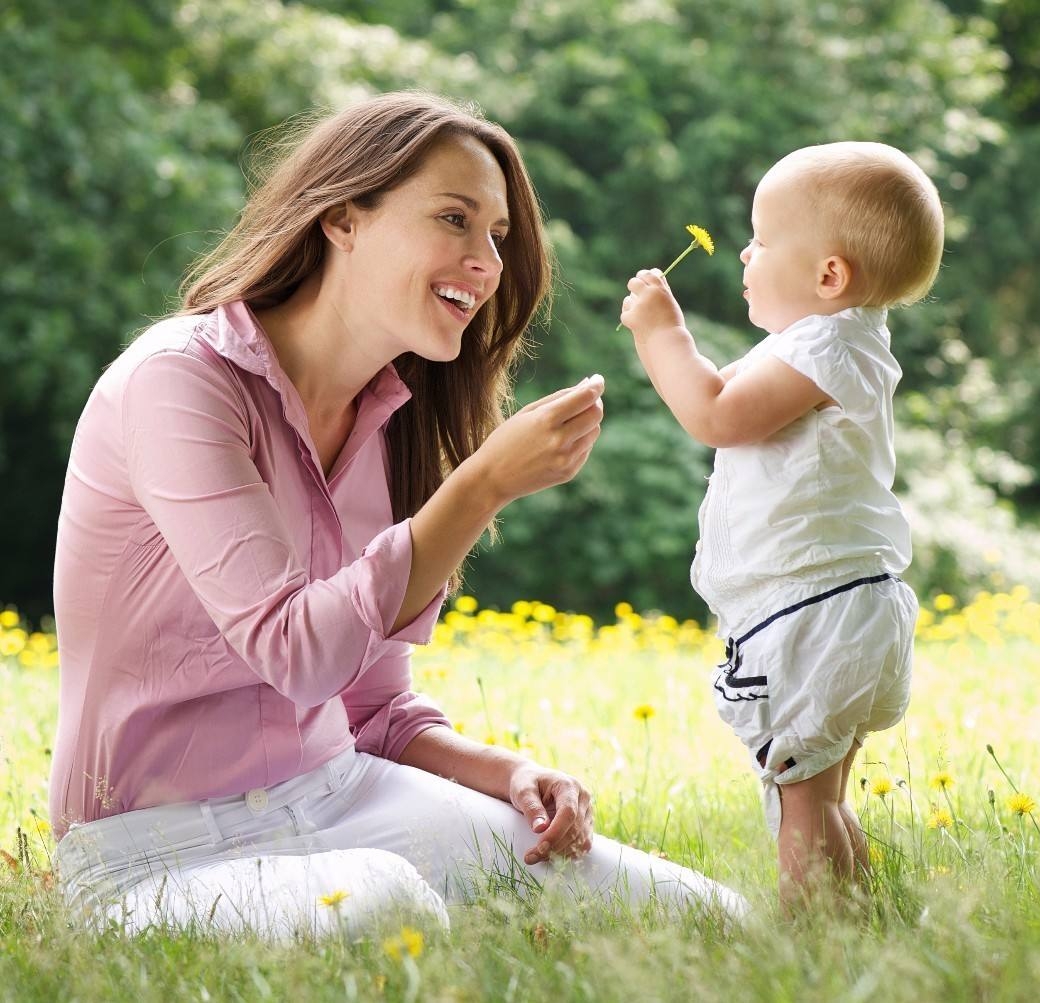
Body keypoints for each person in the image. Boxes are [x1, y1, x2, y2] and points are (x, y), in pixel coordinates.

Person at [50, 91, 745, 940]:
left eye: (496, 235)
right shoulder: (179, 382)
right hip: (155, 852)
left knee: (711, 921)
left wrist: (505, 770)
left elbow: (369, 707)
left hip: (342, 796)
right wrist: (480, 486)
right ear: (343, 218)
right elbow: (295, 651)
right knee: (384, 904)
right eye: (455, 218)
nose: (486, 260)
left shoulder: (388, 421)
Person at [619, 142, 943, 908]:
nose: (744, 251)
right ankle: (857, 921)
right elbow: (729, 389)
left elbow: (714, 413)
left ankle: (811, 941)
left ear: (829, 275)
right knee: (822, 795)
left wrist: (661, 333)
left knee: (804, 800)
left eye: (762, 240)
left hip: (814, 610)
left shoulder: (829, 344)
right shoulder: (832, 343)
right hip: (846, 608)